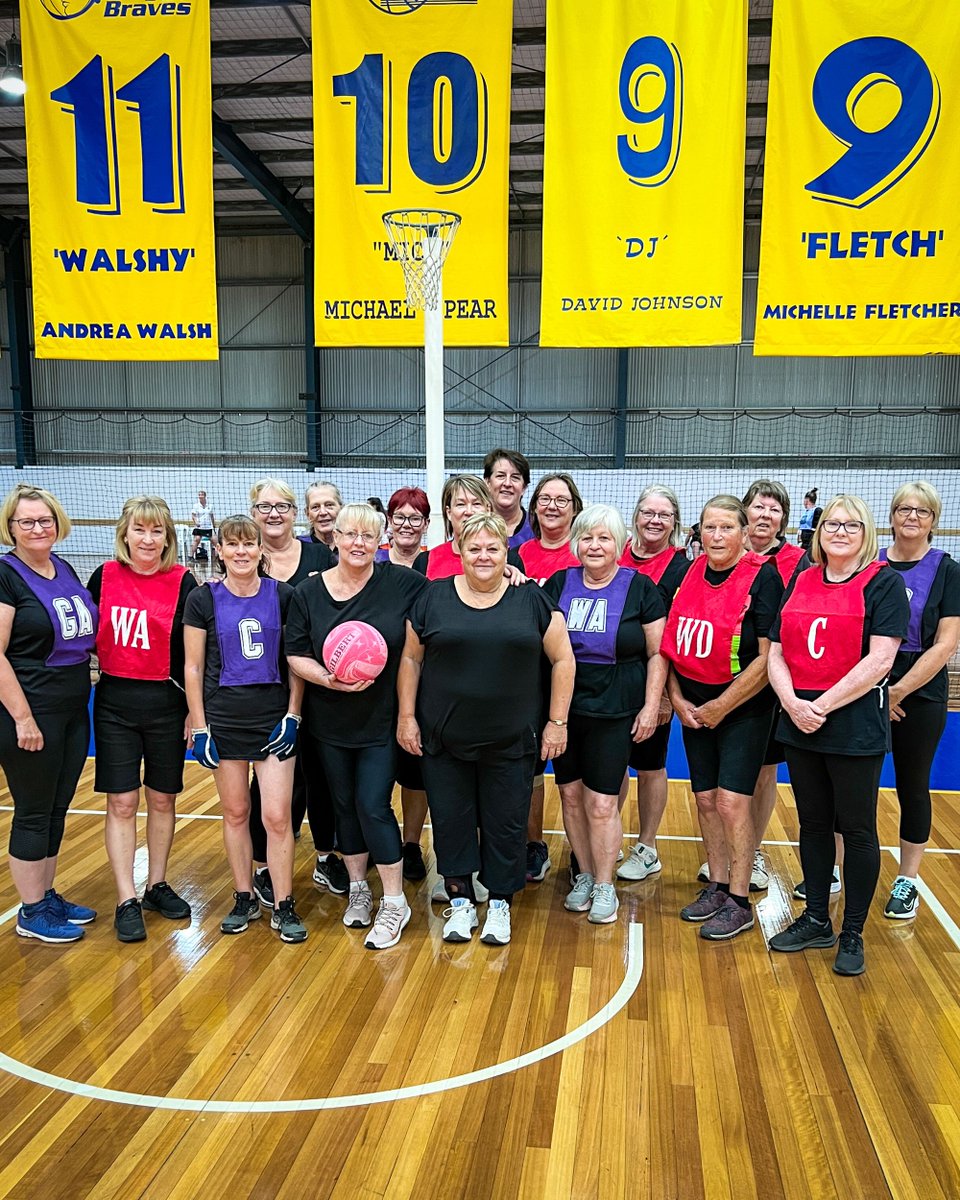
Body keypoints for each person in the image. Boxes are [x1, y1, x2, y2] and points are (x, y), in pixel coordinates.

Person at [398, 512, 575, 946]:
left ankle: (499, 905)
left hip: (511, 741)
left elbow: (563, 660)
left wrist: (556, 722)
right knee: (451, 821)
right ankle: (459, 903)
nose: (483, 555)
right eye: (473, 547)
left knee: (507, 824)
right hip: (444, 738)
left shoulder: (531, 599)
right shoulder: (431, 598)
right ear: (457, 549)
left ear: (506, 553)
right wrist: (406, 716)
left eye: (492, 548)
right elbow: (410, 660)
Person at [767, 495, 908, 976]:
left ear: (866, 534)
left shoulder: (883, 583)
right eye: (832, 523)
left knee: (858, 828)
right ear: (819, 531)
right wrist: (792, 703)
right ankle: (815, 920)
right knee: (812, 823)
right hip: (800, 717)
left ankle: (851, 931)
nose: (840, 531)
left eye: (852, 525)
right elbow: (777, 650)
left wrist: (821, 706)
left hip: (850, 722)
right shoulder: (800, 579)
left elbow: (881, 660)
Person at [286, 503, 429, 950]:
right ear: (334, 539)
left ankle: (393, 902)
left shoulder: (401, 583)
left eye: (369, 536)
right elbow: (294, 654)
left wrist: (510, 577)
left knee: (372, 805)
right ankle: (358, 890)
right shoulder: (308, 594)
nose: (359, 544)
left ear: (379, 540)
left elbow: (451, 594)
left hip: (381, 721)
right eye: (350, 535)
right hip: (328, 721)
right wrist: (328, 678)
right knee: (344, 806)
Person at [661, 495, 781, 941]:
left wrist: (721, 706)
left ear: (744, 533)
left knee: (732, 802)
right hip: (693, 708)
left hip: (742, 708)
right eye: (709, 528)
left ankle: (739, 899)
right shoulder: (688, 570)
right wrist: (676, 698)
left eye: (726, 528)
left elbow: (769, 658)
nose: (716, 536)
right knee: (706, 800)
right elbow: (669, 641)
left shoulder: (762, 577)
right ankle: (715, 884)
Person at [183, 514, 307, 943]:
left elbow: (295, 662)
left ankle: (284, 904)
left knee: (277, 816)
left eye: (248, 544)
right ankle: (243, 897)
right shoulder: (202, 599)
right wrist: (199, 726)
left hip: (272, 719)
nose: (240, 551)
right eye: (231, 544)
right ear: (218, 550)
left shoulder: (285, 595)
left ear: (260, 549)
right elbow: (193, 666)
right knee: (236, 812)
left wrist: (293, 715)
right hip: (225, 718)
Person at [543, 504, 666, 925]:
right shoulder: (559, 583)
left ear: (620, 545)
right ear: (576, 544)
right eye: (587, 538)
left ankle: (604, 884)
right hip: (566, 709)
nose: (595, 546)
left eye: (604, 538)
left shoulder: (641, 588)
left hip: (615, 710)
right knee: (570, 796)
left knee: (601, 802)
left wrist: (652, 705)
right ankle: (584, 874)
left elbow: (657, 653)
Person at [88, 496, 197, 942]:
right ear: (125, 534)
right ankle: (125, 897)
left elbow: (196, 654)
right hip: (115, 702)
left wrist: (194, 709)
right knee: (121, 803)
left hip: (167, 705)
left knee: (163, 800)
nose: (148, 539)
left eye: (157, 532)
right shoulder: (104, 576)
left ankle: (156, 884)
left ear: (168, 538)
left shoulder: (184, 582)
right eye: (140, 530)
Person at [694, 479, 807, 892]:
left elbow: (774, 643)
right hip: (715, 693)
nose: (765, 515)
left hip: (769, 689)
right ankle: (725, 867)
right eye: (759, 507)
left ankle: (751, 853)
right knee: (716, 794)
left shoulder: (792, 564)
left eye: (774, 510)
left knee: (760, 777)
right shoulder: (702, 565)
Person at [0, 484, 98, 943]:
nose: (38, 528)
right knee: (34, 811)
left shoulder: (63, 568)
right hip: (30, 714)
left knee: (57, 809)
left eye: (45, 520)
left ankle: (47, 892)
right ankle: (31, 909)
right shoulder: (6, 574)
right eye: (27, 522)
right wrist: (22, 718)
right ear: (11, 528)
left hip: (73, 710)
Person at [246, 479, 344, 907]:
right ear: (253, 512)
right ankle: (263, 867)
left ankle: (326, 855)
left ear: (294, 513)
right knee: (265, 782)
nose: (273, 514)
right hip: (263, 688)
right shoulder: (245, 556)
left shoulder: (321, 555)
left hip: (317, 683)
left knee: (320, 773)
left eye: (282, 506)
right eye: (264, 506)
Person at [880, 482, 960, 919]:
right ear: (892, 516)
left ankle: (907, 879)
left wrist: (898, 690)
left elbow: (945, 644)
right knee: (847, 783)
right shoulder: (868, 563)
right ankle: (835, 869)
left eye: (922, 511)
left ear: (934, 520)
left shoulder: (947, 570)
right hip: (865, 683)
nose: (912, 517)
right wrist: (875, 689)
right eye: (904, 509)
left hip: (921, 691)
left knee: (913, 785)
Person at [616, 484, 690, 883]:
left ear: (674, 521)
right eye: (648, 512)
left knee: (649, 765)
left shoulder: (682, 567)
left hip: (652, 685)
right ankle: (607, 839)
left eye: (663, 514)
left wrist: (662, 696)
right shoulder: (615, 553)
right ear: (637, 515)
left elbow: (675, 636)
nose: (655, 520)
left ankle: (647, 846)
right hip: (612, 684)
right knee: (611, 767)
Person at [517, 472, 583, 883]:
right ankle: (533, 843)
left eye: (562, 499)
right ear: (534, 507)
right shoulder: (519, 554)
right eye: (545, 498)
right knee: (533, 767)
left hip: (579, 675)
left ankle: (585, 854)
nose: (553, 506)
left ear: (575, 507)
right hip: (529, 677)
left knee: (585, 777)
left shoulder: (587, 553)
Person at [374, 487, 431, 879]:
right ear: (388, 523)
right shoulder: (371, 566)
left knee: (415, 774)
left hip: (423, 686)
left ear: (427, 525)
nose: (407, 525)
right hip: (373, 689)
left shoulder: (436, 566)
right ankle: (376, 843)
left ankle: (410, 844)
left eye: (416, 518)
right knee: (375, 773)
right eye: (400, 517)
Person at [413, 474, 525, 579]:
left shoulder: (510, 561)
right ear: (449, 512)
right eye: (461, 504)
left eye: (476, 504)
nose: (469, 511)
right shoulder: (425, 562)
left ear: (488, 509)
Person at [482, 448, 535, 547]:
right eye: (500, 476)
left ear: (524, 487)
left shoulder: (538, 528)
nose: (507, 483)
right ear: (488, 482)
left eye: (515, 477)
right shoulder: (473, 527)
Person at [303, 481, 343, 554]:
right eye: (315, 507)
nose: (323, 512)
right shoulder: (299, 548)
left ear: (341, 508)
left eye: (329, 505)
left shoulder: (353, 546)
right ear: (307, 513)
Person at [190, 489, 215, 561]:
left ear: (205, 496)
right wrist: (196, 522)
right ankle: (191, 556)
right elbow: (193, 515)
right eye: (199, 495)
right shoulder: (196, 506)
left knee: (215, 540)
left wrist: (213, 525)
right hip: (199, 527)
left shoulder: (210, 506)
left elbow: (212, 516)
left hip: (208, 527)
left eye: (202, 495)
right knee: (196, 539)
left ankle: (218, 557)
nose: (200, 496)